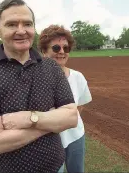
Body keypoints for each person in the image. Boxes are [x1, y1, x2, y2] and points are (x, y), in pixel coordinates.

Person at [0, 0, 78, 173]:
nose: (21, 31)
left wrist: (28, 118)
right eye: (12, 24)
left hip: (56, 167)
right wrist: (51, 122)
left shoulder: (51, 67)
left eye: (27, 24)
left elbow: (71, 118)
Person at [38, 25, 92, 173]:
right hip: (49, 141)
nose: (61, 52)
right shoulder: (35, 79)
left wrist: (68, 122)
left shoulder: (77, 77)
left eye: (66, 48)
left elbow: (79, 106)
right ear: (44, 51)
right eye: (56, 48)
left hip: (76, 137)